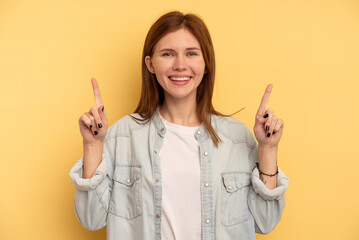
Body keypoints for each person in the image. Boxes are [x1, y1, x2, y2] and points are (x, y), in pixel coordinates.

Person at [69, 11, 289, 240]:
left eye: (191, 53)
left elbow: (266, 221)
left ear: (206, 64)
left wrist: (268, 149)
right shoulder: (123, 136)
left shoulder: (237, 137)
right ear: (151, 64)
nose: (180, 65)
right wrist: (93, 146)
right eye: (168, 54)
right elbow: (91, 220)